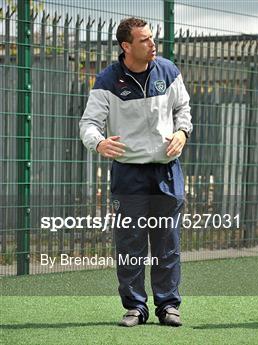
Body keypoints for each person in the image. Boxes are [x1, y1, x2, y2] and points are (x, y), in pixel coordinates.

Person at [79, 17, 192, 327]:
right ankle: (135, 307)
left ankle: (168, 306)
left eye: (152, 38)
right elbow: (88, 124)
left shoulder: (168, 71)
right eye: (144, 40)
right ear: (126, 46)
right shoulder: (107, 81)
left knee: (167, 241)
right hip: (128, 174)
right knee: (130, 244)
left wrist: (182, 133)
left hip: (167, 173)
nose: (152, 44)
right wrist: (99, 143)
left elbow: (183, 109)